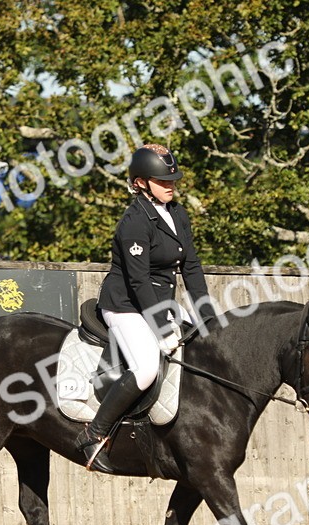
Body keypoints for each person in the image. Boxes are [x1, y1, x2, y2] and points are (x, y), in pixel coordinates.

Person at [75, 143, 219, 472]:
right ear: (140, 182)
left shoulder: (178, 213)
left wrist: (206, 313)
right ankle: (93, 434)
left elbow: (192, 267)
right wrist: (161, 327)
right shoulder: (134, 222)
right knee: (146, 369)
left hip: (160, 303)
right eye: (162, 181)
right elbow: (139, 282)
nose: (170, 185)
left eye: (172, 180)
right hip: (125, 306)